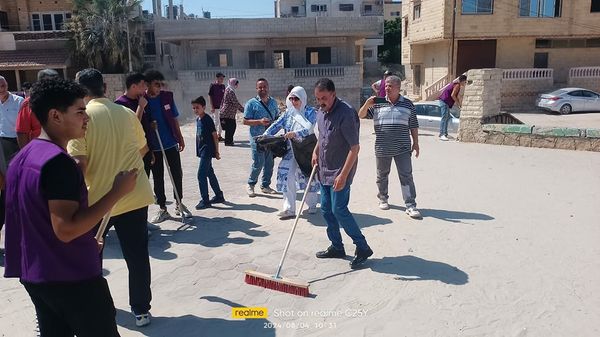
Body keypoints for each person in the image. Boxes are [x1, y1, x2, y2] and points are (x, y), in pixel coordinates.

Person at [4, 78, 137, 336]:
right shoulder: (58, 164)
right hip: (71, 277)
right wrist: (116, 192)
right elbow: (65, 229)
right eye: (79, 111)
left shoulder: (23, 157)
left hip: (36, 275)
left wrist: (85, 241)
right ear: (55, 115)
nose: (86, 117)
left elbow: (37, 221)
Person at [69, 68, 155, 327]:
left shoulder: (81, 119)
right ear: (104, 86)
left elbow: (78, 163)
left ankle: (96, 306)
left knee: (90, 254)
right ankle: (141, 310)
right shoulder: (127, 113)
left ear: (81, 92)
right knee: (137, 255)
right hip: (134, 193)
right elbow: (143, 147)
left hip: (98, 201)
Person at [311, 78, 373, 269]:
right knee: (327, 210)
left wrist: (344, 175)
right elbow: (322, 137)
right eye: (318, 98)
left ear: (333, 94)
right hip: (324, 169)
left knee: (339, 210)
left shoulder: (346, 113)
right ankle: (337, 246)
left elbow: (355, 148)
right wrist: (315, 152)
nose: (321, 102)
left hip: (340, 171)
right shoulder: (321, 113)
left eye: (324, 98)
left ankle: (362, 247)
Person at [359, 75, 422, 219]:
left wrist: (416, 143)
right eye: (386, 86)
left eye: (390, 86)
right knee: (382, 175)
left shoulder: (408, 104)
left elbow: (413, 125)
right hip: (382, 147)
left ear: (398, 88)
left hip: (403, 148)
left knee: (406, 176)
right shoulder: (377, 103)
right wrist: (367, 103)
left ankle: (410, 205)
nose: (387, 88)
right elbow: (360, 115)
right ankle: (383, 198)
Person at [143, 69, 192, 222]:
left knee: (177, 172)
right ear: (148, 85)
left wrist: (180, 137)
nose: (160, 87)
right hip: (154, 145)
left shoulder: (167, 97)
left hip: (170, 142)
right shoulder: (142, 100)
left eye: (161, 84)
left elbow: (174, 118)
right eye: (157, 84)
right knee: (158, 177)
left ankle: (179, 203)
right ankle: (162, 208)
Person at [263, 86, 319, 219]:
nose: (294, 101)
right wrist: (265, 135)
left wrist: (295, 133)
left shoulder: (311, 112)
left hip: (306, 150)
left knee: (307, 176)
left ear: (303, 99)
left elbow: (310, 128)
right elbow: (276, 125)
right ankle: (289, 209)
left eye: (296, 99)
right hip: (291, 150)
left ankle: (311, 204)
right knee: (286, 175)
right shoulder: (288, 113)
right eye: (291, 98)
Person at [243, 78, 279, 197]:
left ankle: (265, 185)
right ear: (257, 89)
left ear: (268, 87)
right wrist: (259, 121)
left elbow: (277, 117)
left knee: (269, 162)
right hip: (257, 138)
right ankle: (251, 184)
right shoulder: (251, 103)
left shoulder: (273, 102)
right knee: (259, 162)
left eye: (264, 87)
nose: (262, 89)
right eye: (260, 87)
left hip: (270, 138)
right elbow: (245, 121)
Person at [115, 72, 155, 175]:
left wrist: (150, 150)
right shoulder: (120, 104)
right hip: (134, 153)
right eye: (142, 85)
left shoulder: (140, 100)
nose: (145, 88)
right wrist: (140, 107)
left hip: (145, 149)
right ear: (133, 86)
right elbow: (132, 127)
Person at [192, 96, 225, 210]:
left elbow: (215, 136)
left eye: (198, 107)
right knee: (209, 173)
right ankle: (219, 195)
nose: (196, 110)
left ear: (204, 107)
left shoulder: (207, 119)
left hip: (207, 151)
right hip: (202, 151)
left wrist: (216, 151)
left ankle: (205, 200)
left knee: (201, 175)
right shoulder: (198, 120)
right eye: (194, 108)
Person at [16, 69, 60, 149]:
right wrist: (27, 154)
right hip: (39, 151)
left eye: (56, 82)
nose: (53, 86)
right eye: (49, 83)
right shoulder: (29, 104)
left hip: (63, 150)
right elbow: (22, 132)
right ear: (40, 83)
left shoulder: (64, 101)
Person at [438, 74, 467, 141]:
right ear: (462, 81)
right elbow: (453, 95)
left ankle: (445, 133)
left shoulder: (457, 85)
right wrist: (457, 103)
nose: (465, 84)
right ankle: (442, 134)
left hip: (446, 102)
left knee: (447, 117)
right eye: (465, 82)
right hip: (444, 101)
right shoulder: (457, 85)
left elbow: (456, 96)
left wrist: (459, 104)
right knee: (444, 117)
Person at [219, 78, 244, 146]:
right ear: (233, 84)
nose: (237, 86)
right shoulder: (230, 91)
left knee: (230, 127)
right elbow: (235, 102)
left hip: (227, 113)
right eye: (236, 84)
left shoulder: (228, 90)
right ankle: (228, 142)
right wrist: (243, 110)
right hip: (227, 113)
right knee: (231, 127)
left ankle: (228, 141)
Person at [208, 72, 226, 141]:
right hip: (215, 107)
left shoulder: (223, 86)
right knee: (216, 121)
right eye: (221, 78)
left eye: (223, 79)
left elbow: (224, 97)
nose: (222, 80)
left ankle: (219, 135)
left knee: (221, 122)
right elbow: (210, 96)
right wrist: (212, 106)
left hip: (222, 107)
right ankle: (213, 136)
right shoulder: (213, 85)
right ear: (217, 78)